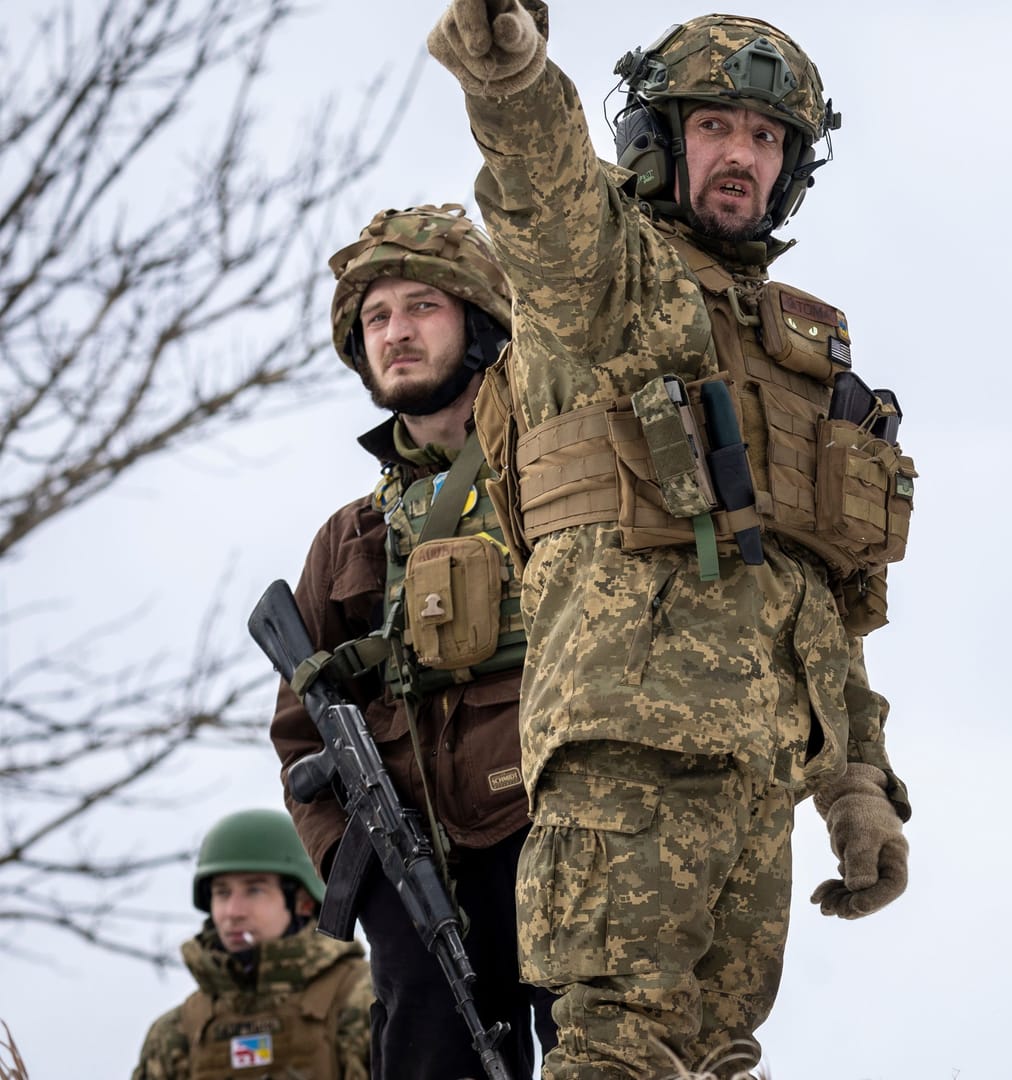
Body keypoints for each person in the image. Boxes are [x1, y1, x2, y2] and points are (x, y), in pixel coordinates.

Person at [425, 5, 914, 1076]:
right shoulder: (609, 286)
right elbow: (545, 194)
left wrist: (856, 781)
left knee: (720, 1055)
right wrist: (510, 79)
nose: (740, 155)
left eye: (766, 137)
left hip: (757, 770)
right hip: (628, 751)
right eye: (716, 128)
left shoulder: (800, 352)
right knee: (619, 1049)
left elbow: (816, 587)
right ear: (661, 137)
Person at [268, 203, 556, 1078]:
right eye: (377, 317)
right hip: (419, 881)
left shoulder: (553, 476)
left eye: (422, 307)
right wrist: (369, 883)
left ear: (478, 321)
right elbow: (300, 737)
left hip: (559, 841)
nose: (396, 332)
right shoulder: (349, 537)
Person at [133, 809, 373, 1080]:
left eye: (254, 890)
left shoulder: (364, 1002)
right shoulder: (176, 1034)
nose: (233, 911)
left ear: (303, 901)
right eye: (222, 893)